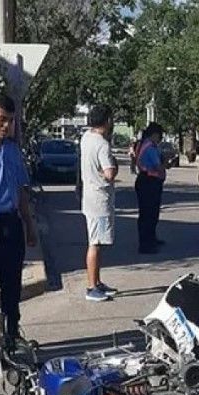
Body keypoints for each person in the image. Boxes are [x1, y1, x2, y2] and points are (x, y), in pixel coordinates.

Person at [0, 93, 37, 352]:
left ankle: (12, 335)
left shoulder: (12, 150)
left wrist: (29, 224)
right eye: (1, 119)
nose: (6, 126)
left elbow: (20, 189)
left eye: (11, 121)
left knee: (12, 284)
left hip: (11, 223)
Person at [80, 104, 118, 302]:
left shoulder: (86, 138)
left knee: (99, 242)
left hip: (90, 196)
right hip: (100, 200)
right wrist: (115, 166)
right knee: (95, 243)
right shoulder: (102, 145)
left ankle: (97, 281)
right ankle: (91, 286)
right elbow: (110, 173)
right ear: (108, 121)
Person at [135, 122, 166, 254]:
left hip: (145, 180)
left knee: (148, 214)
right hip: (149, 182)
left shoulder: (143, 144)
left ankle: (151, 239)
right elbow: (157, 166)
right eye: (160, 136)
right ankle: (146, 244)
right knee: (149, 214)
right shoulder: (150, 147)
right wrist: (166, 165)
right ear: (155, 135)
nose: (160, 140)